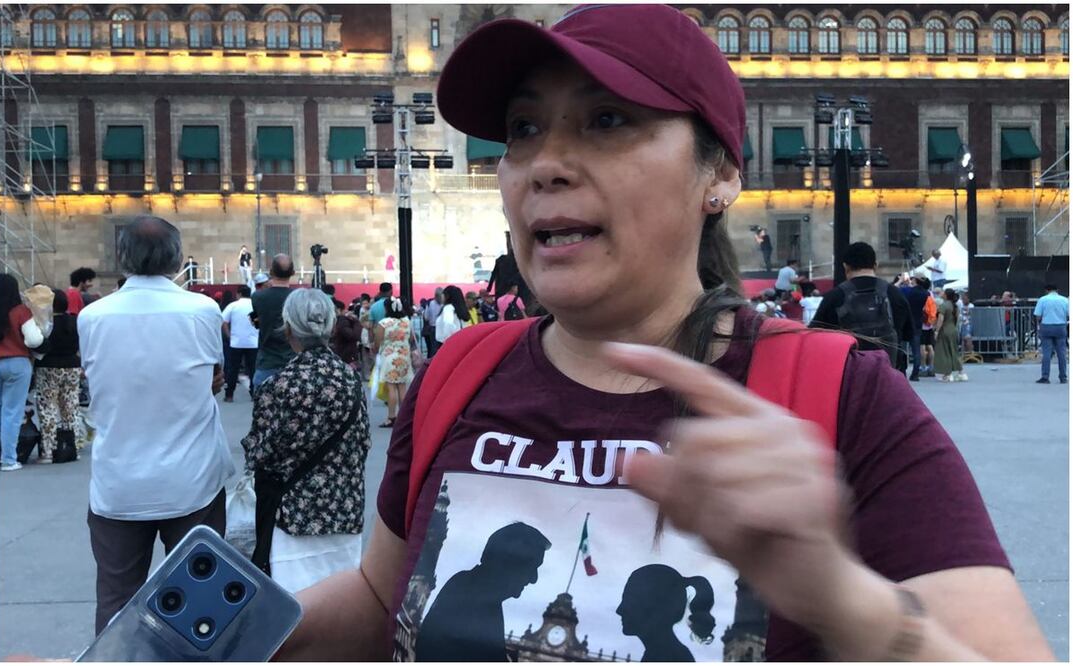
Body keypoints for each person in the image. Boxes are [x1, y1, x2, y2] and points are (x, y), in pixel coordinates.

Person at [275, 6, 1051, 662]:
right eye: (521, 129)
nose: (543, 163)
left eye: (607, 120)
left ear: (719, 175)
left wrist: (845, 601)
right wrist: (236, 635)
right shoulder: (458, 372)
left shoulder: (840, 396)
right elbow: (382, 594)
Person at [78, 216, 233, 634]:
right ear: (177, 258)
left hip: (118, 484)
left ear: (122, 258)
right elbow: (213, 377)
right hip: (192, 480)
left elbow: (98, 378)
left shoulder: (93, 317)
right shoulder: (202, 310)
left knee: (115, 599)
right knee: (200, 602)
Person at [241, 288, 371, 594]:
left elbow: (259, 454)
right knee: (339, 613)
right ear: (330, 328)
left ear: (287, 329)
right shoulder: (350, 380)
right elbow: (362, 443)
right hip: (344, 512)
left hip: (293, 519)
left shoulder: (279, 385)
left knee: (296, 614)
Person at [415, 523, 550, 661]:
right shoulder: (470, 593)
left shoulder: (482, 595)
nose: (534, 578)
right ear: (507, 561)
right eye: (532, 566)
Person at [810, 242, 913, 368]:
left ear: (845, 267)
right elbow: (908, 334)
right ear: (875, 265)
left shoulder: (834, 297)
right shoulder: (895, 294)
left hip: (850, 378)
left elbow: (815, 336)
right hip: (890, 379)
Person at [616, 564, 715, 662]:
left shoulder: (667, 657)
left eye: (629, 601)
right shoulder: (661, 654)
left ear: (656, 607)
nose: (619, 610)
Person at [33, 289, 85, 462]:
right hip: (72, 366)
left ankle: (49, 451)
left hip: (48, 366)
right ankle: (73, 447)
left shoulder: (47, 322)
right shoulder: (75, 321)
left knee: (48, 408)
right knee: (71, 406)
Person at [0, 273, 41, 471]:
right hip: (17, 362)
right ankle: (8, 459)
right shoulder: (21, 311)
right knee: (12, 413)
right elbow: (34, 340)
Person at [252, 254, 296, 390]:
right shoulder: (298, 297)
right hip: (293, 363)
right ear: (293, 273)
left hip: (267, 363)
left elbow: (258, 321)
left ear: (270, 272)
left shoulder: (258, 297)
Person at [373, 296, 415, 428]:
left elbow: (377, 341)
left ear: (387, 308)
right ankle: (404, 417)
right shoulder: (407, 321)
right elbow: (412, 339)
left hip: (389, 357)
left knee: (392, 387)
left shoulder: (384, 323)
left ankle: (391, 417)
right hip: (404, 356)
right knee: (402, 387)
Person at [222, 285, 259, 402]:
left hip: (236, 342)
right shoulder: (254, 305)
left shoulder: (233, 306)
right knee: (253, 369)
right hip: (253, 343)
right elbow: (257, 325)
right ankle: (254, 393)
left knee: (233, 369)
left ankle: (229, 395)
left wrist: (229, 336)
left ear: (238, 294)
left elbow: (224, 322)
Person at [1034, 283, 1069, 384]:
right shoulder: (1064, 300)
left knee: (1047, 353)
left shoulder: (1043, 299)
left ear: (1046, 290)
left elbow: (1038, 315)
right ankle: (1063, 377)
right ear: (1057, 290)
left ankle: (1045, 377)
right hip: (1061, 327)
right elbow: (1068, 314)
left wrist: (1040, 325)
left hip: (1047, 327)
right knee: (1062, 353)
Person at [933, 288, 967, 382]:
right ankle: (961, 373)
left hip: (945, 330)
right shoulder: (955, 306)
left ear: (946, 295)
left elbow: (940, 319)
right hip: (953, 329)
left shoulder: (943, 306)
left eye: (943, 292)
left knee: (945, 352)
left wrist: (936, 331)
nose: (942, 293)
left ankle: (948, 374)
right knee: (954, 351)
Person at [900, 276, 930, 381]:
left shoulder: (907, 291)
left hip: (905, 322)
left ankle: (902, 371)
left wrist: (902, 282)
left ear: (915, 281)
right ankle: (915, 374)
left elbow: (899, 290)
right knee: (916, 349)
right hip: (917, 323)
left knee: (902, 349)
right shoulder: (926, 293)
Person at [422, 287, 444, 357]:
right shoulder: (444, 305)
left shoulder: (430, 303)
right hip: (442, 328)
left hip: (432, 328)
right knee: (441, 348)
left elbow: (426, 317)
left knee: (433, 348)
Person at [959, 291, 975, 356]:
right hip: (961, 325)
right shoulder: (960, 305)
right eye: (962, 299)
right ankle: (965, 354)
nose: (963, 300)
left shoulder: (971, 306)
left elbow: (969, 312)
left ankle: (970, 354)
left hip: (968, 325)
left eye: (965, 299)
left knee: (967, 338)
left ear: (968, 299)